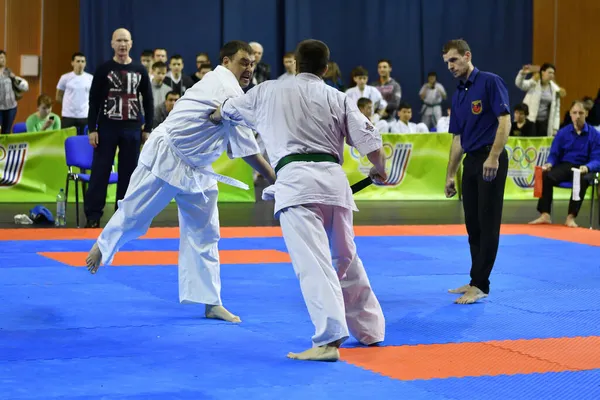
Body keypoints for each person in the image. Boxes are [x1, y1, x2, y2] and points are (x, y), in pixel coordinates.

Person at [211, 39, 387, 361]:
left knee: (314, 264)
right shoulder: (338, 97)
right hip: (335, 185)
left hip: (295, 185)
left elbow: (231, 109)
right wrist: (380, 170)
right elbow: (370, 141)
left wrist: (218, 112)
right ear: (325, 68)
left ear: (295, 63)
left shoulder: (269, 91)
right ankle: (370, 330)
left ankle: (329, 339)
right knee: (346, 259)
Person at [86, 40, 275, 324]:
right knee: (135, 214)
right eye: (242, 62)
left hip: (198, 167)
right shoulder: (226, 89)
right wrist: (278, 180)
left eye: (252, 64)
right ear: (225, 62)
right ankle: (103, 244)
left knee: (206, 233)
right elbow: (249, 152)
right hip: (169, 155)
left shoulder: (231, 91)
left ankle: (212, 302)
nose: (249, 68)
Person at [442, 39, 511, 304]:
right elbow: (457, 138)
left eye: (454, 60)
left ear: (467, 55)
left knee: (488, 221)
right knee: (473, 224)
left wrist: (494, 156)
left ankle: (481, 284)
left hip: (489, 158)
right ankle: (474, 279)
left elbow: (504, 121)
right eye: (447, 62)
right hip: (471, 161)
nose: (450, 66)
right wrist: (450, 174)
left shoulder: (490, 82)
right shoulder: (459, 93)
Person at [84, 28, 154, 228]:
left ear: (131, 44)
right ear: (112, 44)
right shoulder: (104, 69)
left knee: (129, 174)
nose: (122, 45)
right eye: (118, 41)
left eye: (125, 41)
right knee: (100, 172)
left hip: (132, 129)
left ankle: (123, 216)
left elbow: (148, 100)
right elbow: (93, 101)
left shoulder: (140, 70)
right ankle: (93, 215)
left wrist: (147, 128)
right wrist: (92, 129)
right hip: (106, 128)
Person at [529, 101, 600, 227]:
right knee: (546, 175)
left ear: (586, 114)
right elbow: (554, 154)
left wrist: (588, 167)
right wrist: (549, 164)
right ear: (571, 115)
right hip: (565, 165)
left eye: (581, 113)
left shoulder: (594, 135)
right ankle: (545, 214)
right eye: (574, 113)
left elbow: (597, 158)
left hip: (583, 167)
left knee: (582, 180)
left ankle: (570, 217)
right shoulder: (563, 133)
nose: (577, 116)